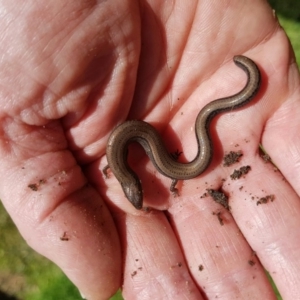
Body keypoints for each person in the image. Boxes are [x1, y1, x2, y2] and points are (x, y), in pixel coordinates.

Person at [0, 1, 299, 299]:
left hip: (144, 138)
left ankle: (240, 90)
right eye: (138, 192)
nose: (140, 194)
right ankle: (235, 94)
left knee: (200, 126)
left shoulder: (121, 165)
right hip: (143, 139)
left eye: (138, 192)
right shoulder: (121, 166)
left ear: (135, 184)